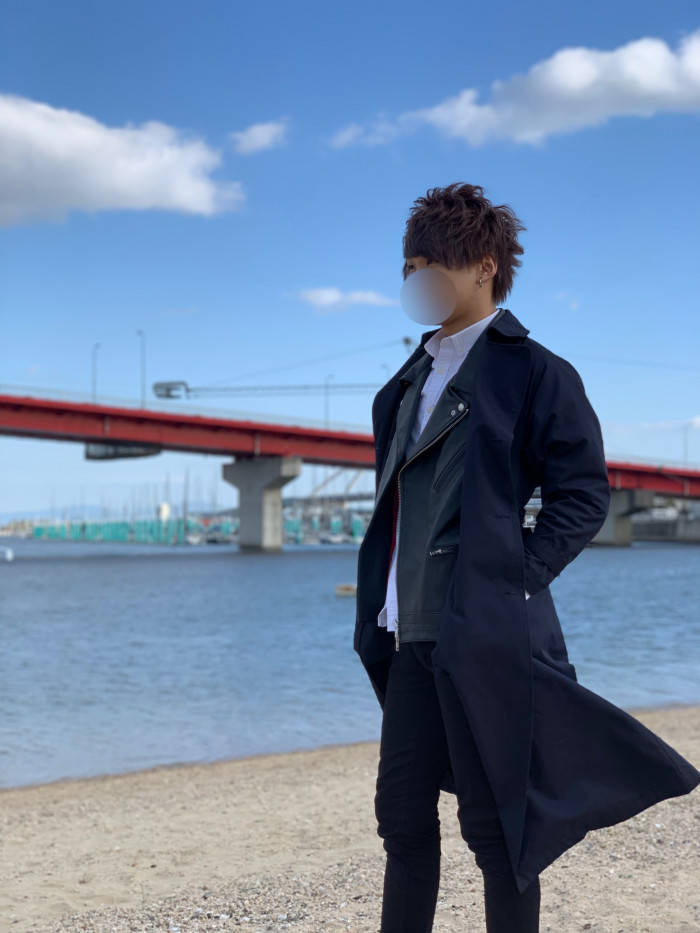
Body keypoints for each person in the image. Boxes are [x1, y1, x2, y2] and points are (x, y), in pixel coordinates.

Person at [353, 182, 700, 933]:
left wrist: (515, 580)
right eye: (410, 266)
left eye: (432, 264)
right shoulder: (402, 388)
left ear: (484, 267)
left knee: (498, 832)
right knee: (401, 822)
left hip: (483, 638)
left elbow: (583, 493)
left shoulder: (535, 371)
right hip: (406, 636)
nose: (417, 279)